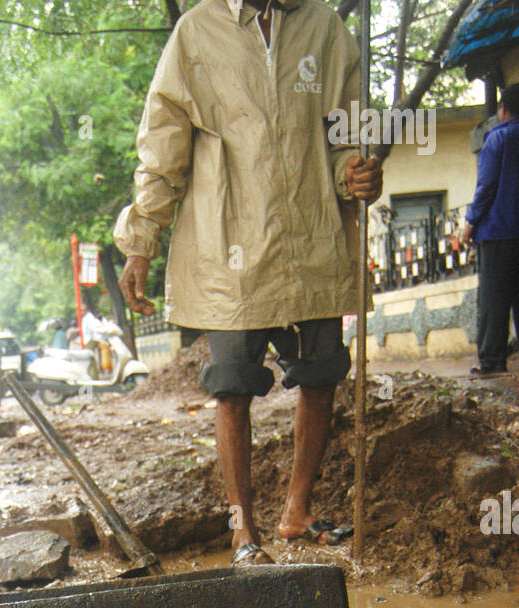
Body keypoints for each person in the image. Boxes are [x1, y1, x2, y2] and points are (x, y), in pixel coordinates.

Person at [115, 0, 382, 565]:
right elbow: (163, 148)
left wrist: (355, 172)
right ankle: (243, 530)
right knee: (232, 387)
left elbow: (346, 135)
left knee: (322, 373)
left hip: (311, 236)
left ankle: (296, 511)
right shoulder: (195, 34)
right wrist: (141, 240)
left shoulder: (325, 28)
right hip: (227, 247)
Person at [462, 84, 519, 378]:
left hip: (497, 233)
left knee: (493, 301)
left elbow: (486, 187)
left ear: (503, 109)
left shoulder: (497, 140)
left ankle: (493, 361)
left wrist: (469, 224)